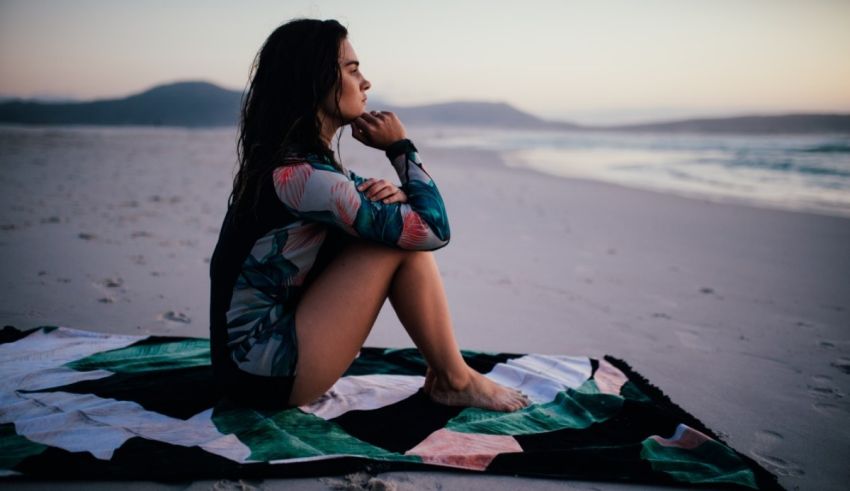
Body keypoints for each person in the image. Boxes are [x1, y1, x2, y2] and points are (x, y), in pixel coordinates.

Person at [209, 18, 529, 412]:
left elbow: (382, 210)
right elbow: (433, 230)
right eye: (352, 68)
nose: (365, 82)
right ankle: (454, 379)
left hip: (250, 368)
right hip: (263, 376)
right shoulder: (305, 177)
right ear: (315, 79)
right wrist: (401, 149)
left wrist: (394, 201)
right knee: (397, 243)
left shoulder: (297, 166)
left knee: (394, 229)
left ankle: (452, 376)